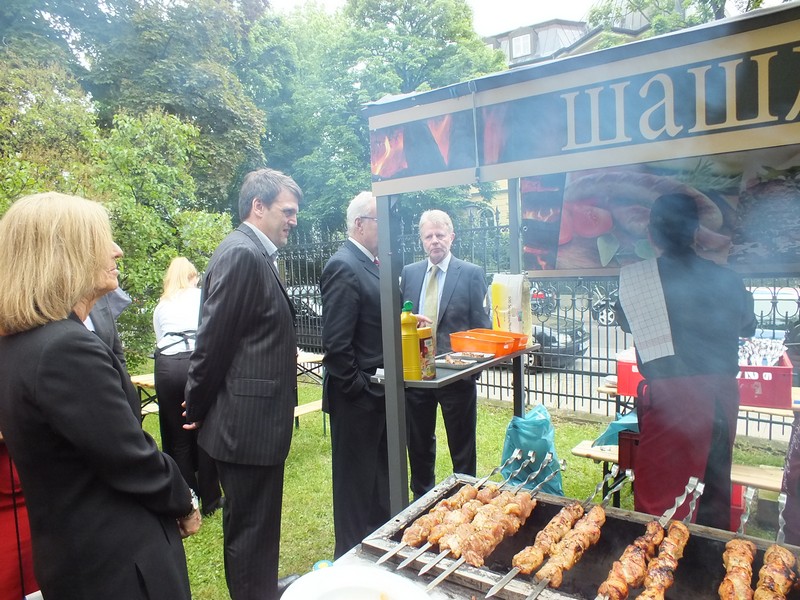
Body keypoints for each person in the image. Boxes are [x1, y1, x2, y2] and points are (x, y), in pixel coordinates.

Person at [0, 192, 200, 600]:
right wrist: (184, 499)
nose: (117, 250)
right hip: (119, 565)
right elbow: (129, 456)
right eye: (101, 240)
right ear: (64, 253)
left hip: (75, 555)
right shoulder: (63, 349)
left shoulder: (20, 345)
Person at [184, 168, 302, 600]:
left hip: (254, 426)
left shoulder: (254, 253)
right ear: (258, 206)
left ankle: (260, 590)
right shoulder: (242, 254)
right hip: (247, 428)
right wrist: (195, 409)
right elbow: (212, 343)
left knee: (256, 526)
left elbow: (247, 335)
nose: (293, 220)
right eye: (287, 211)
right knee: (251, 530)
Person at [615, 193, 756, 529]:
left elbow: (624, 320)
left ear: (651, 235)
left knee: (661, 505)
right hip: (721, 398)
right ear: (696, 232)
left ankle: (662, 570)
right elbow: (747, 325)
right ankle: (708, 569)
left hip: (670, 401)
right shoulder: (728, 279)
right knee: (713, 494)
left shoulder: (637, 280)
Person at [400, 209, 491, 499]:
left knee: (462, 448)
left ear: (451, 237)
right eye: (429, 236)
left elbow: (482, 326)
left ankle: (466, 501)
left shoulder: (471, 273)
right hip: (418, 376)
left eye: (440, 235)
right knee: (418, 445)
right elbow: (402, 317)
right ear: (422, 241)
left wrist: (470, 372)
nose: (435, 241)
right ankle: (421, 501)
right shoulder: (410, 273)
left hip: (456, 378)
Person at [321, 191, 390, 558]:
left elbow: (372, 322)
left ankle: (377, 550)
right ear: (360, 224)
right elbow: (336, 345)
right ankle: (349, 557)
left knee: (380, 482)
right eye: (381, 221)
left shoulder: (373, 264)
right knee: (354, 487)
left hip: (380, 395)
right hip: (357, 400)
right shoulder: (343, 265)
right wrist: (360, 388)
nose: (387, 229)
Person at [154, 257, 222, 516]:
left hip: (169, 365)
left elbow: (160, 338)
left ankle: (187, 497)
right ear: (193, 276)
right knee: (204, 429)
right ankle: (212, 499)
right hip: (196, 363)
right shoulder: (200, 297)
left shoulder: (162, 304)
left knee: (178, 435)